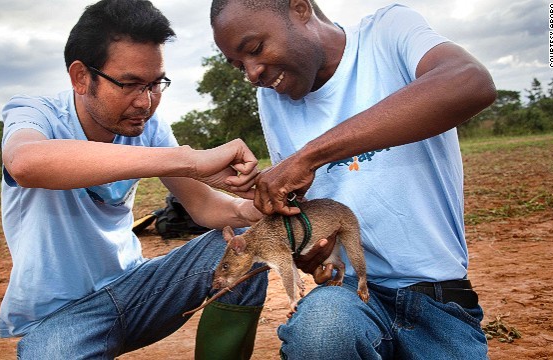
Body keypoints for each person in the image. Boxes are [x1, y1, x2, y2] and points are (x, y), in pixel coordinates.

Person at [210, 0, 497, 359]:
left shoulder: (387, 33)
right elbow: (310, 211)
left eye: (254, 49)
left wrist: (310, 155)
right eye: (239, 66)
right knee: (320, 331)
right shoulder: (273, 98)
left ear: (299, 8)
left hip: (437, 297)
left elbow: (470, 82)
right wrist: (311, 255)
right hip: (349, 292)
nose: (252, 73)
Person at [0, 0, 270, 358]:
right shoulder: (36, 114)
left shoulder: (148, 127)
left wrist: (256, 208)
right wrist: (188, 160)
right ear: (81, 77)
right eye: (129, 84)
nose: (146, 102)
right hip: (62, 315)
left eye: (156, 84)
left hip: (138, 289)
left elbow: (203, 205)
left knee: (247, 247)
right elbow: (25, 163)